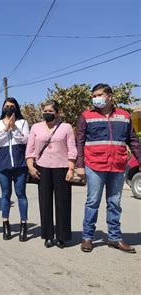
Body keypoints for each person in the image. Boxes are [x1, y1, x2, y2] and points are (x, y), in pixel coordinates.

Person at [77, 83, 140, 254]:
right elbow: (80, 141)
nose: (95, 98)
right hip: (95, 165)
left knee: (114, 203)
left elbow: (132, 140)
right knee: (92, 202)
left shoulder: (124, 116)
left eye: (99, 94)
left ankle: (115, 238)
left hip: (118, 165)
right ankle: (87, 237)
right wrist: (80, 165)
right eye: (93, 95)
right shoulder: (86, 116)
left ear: (110, 96)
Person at [26, 100, 77, 248]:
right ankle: (48, 235)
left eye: (50, 111)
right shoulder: (36, 127)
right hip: (42, 168)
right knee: (45, 203)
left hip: (62, 168)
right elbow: (30, 149)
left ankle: (62, 236)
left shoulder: (66, 127)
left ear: (57, 113)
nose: (47, 113)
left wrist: (71, 169)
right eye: (45, 111)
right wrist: (30, 166)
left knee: (63, 203)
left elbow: (72, 149)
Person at [0, 97, 30, 241]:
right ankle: (5, 224)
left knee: (21, 194)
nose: (9, 108)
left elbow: (26, 139)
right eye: (6, 106)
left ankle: (23, 225)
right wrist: (6, 129)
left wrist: (15, 129)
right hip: (3, 163)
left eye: (12, 106)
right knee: (5, 194)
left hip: (20, 164)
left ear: (16, 107)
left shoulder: (22, 122)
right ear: (3, 108)